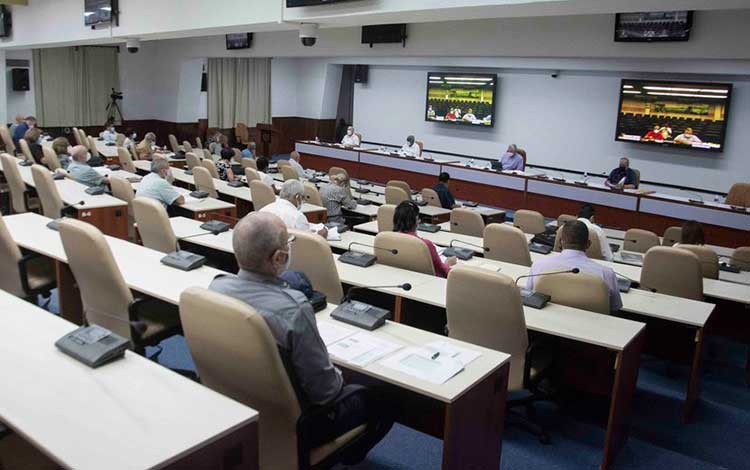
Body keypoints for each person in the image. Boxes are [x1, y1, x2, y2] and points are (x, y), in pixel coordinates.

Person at [209, 212, 392, 455]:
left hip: (238, 402)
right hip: (298, 423)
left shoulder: (216, 287)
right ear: (278, 258)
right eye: (288, 244)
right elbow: (326, 392)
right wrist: (341, 375)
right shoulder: (293, 307)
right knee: (387, 399)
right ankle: (344, 453)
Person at [527, 220, 622, 312]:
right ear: (588, 244)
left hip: (546, 322)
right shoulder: (606, 274)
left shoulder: (538, 265)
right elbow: (615, 308)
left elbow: (529, 295)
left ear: (560, 242)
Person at [393, 200, 456, 278]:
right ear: (416, 221)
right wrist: (448, 263)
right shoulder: (425, 244)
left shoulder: (388, 239)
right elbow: (442, 271)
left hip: (402, 276)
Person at [261, 180, 328, 237]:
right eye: (302, 197)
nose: (303, 200)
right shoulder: (297, 217)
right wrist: (320, 235)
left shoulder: (264, 209)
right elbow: (306, 243)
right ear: (297, 197)